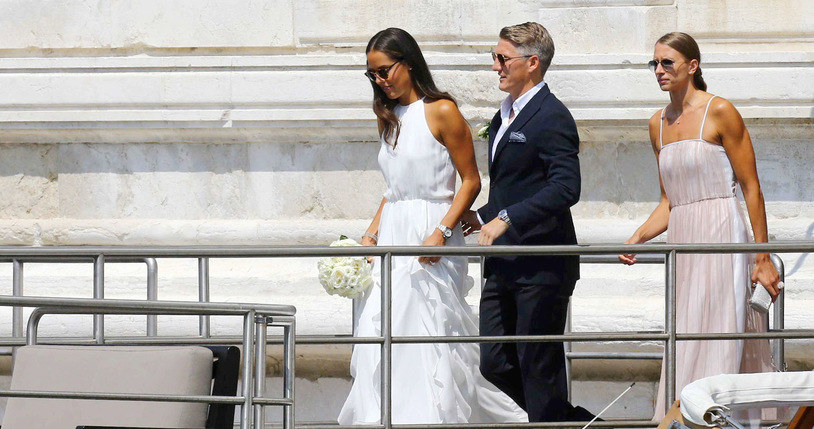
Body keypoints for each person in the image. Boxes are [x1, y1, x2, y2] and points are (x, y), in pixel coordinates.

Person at [337, 27, 527, 425]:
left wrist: (442, 230)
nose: (381, 80)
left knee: (427, 330)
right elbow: (393, 191)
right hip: (395, 231)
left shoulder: (440, 109)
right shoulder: (387, 117)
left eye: (386, 70)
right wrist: (370, 236)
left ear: (409, 62)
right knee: (384, 329)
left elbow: (471, 180)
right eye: (373, 74)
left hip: (432, 230)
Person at [618, 32, 780, 420]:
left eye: (667, 62)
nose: (658, 70)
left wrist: (761, 256)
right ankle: (687, 419)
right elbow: (669, 202)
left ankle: (719, 419)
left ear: (692, 66)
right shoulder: (656, 124)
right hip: (684, 241)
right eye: (654, 63)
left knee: (719, 334)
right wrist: (637, 237)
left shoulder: (720, 110)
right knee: (685, 335)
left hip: (723, 235)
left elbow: (752, 188)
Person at [460, 22, 598, 422]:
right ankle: (574, 423)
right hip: (504, 262)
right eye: (495, 58)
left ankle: (556, 421)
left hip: (541, 265)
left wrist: (507, 217)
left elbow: (566, 187)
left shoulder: (552, 116)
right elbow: (516, 186)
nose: (495, 67)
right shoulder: (503, 115)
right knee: (495, 362)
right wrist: (482, 215)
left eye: (502, 58)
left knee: (539, 368)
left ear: (532, 63)